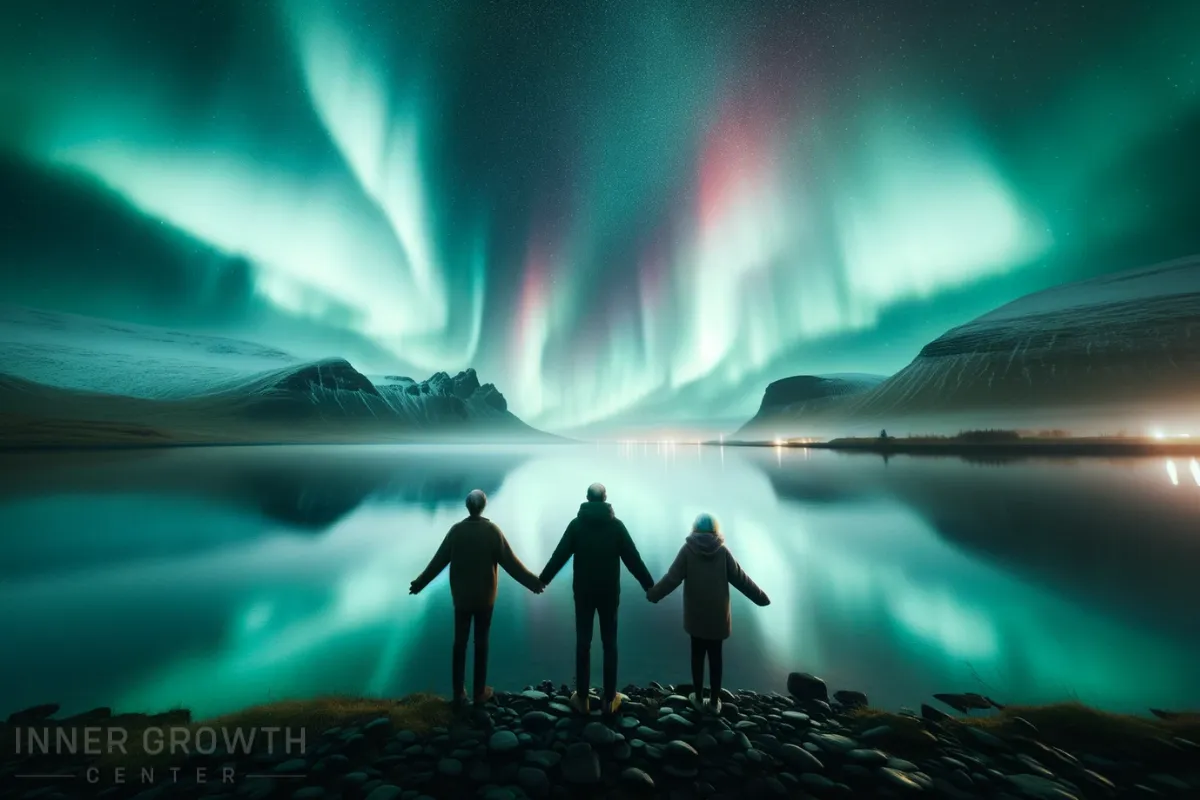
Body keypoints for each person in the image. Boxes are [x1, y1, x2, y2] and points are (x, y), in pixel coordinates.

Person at [410, 489, 543, 708]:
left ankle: (458, 692)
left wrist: (420, 583)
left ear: (467, 507)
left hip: (461, 598)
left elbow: (438, 561)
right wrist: (533, 583)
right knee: (481, 642)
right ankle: (480, 691)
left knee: (459, 643)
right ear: (483, 506)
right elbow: (511, 563)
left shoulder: (456, 531)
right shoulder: (492, 531)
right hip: (485, 599)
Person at [539, 482, 654, 715]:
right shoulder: (616, 527)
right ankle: (609, 699)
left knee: (583, 642)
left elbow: (559, 555)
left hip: (583, 593)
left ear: (587, 499)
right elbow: (633, 560)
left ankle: (581, 697)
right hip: (609, 593)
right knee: (609, 643)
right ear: (605, 499)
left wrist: (542, 580)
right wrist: (650, 587)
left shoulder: (577, 526)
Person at [646, 512, 769, 713]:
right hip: (717, 618)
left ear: (694, 529)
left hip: (696, 617)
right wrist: (761, 598)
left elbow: (671, 578)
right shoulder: (723, 552)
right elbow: (741, 580)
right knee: (716, 657)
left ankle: (697, 695)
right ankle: (713, 701)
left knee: (697, 655)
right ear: (715, 530)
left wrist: (654, 595)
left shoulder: (687, 550)